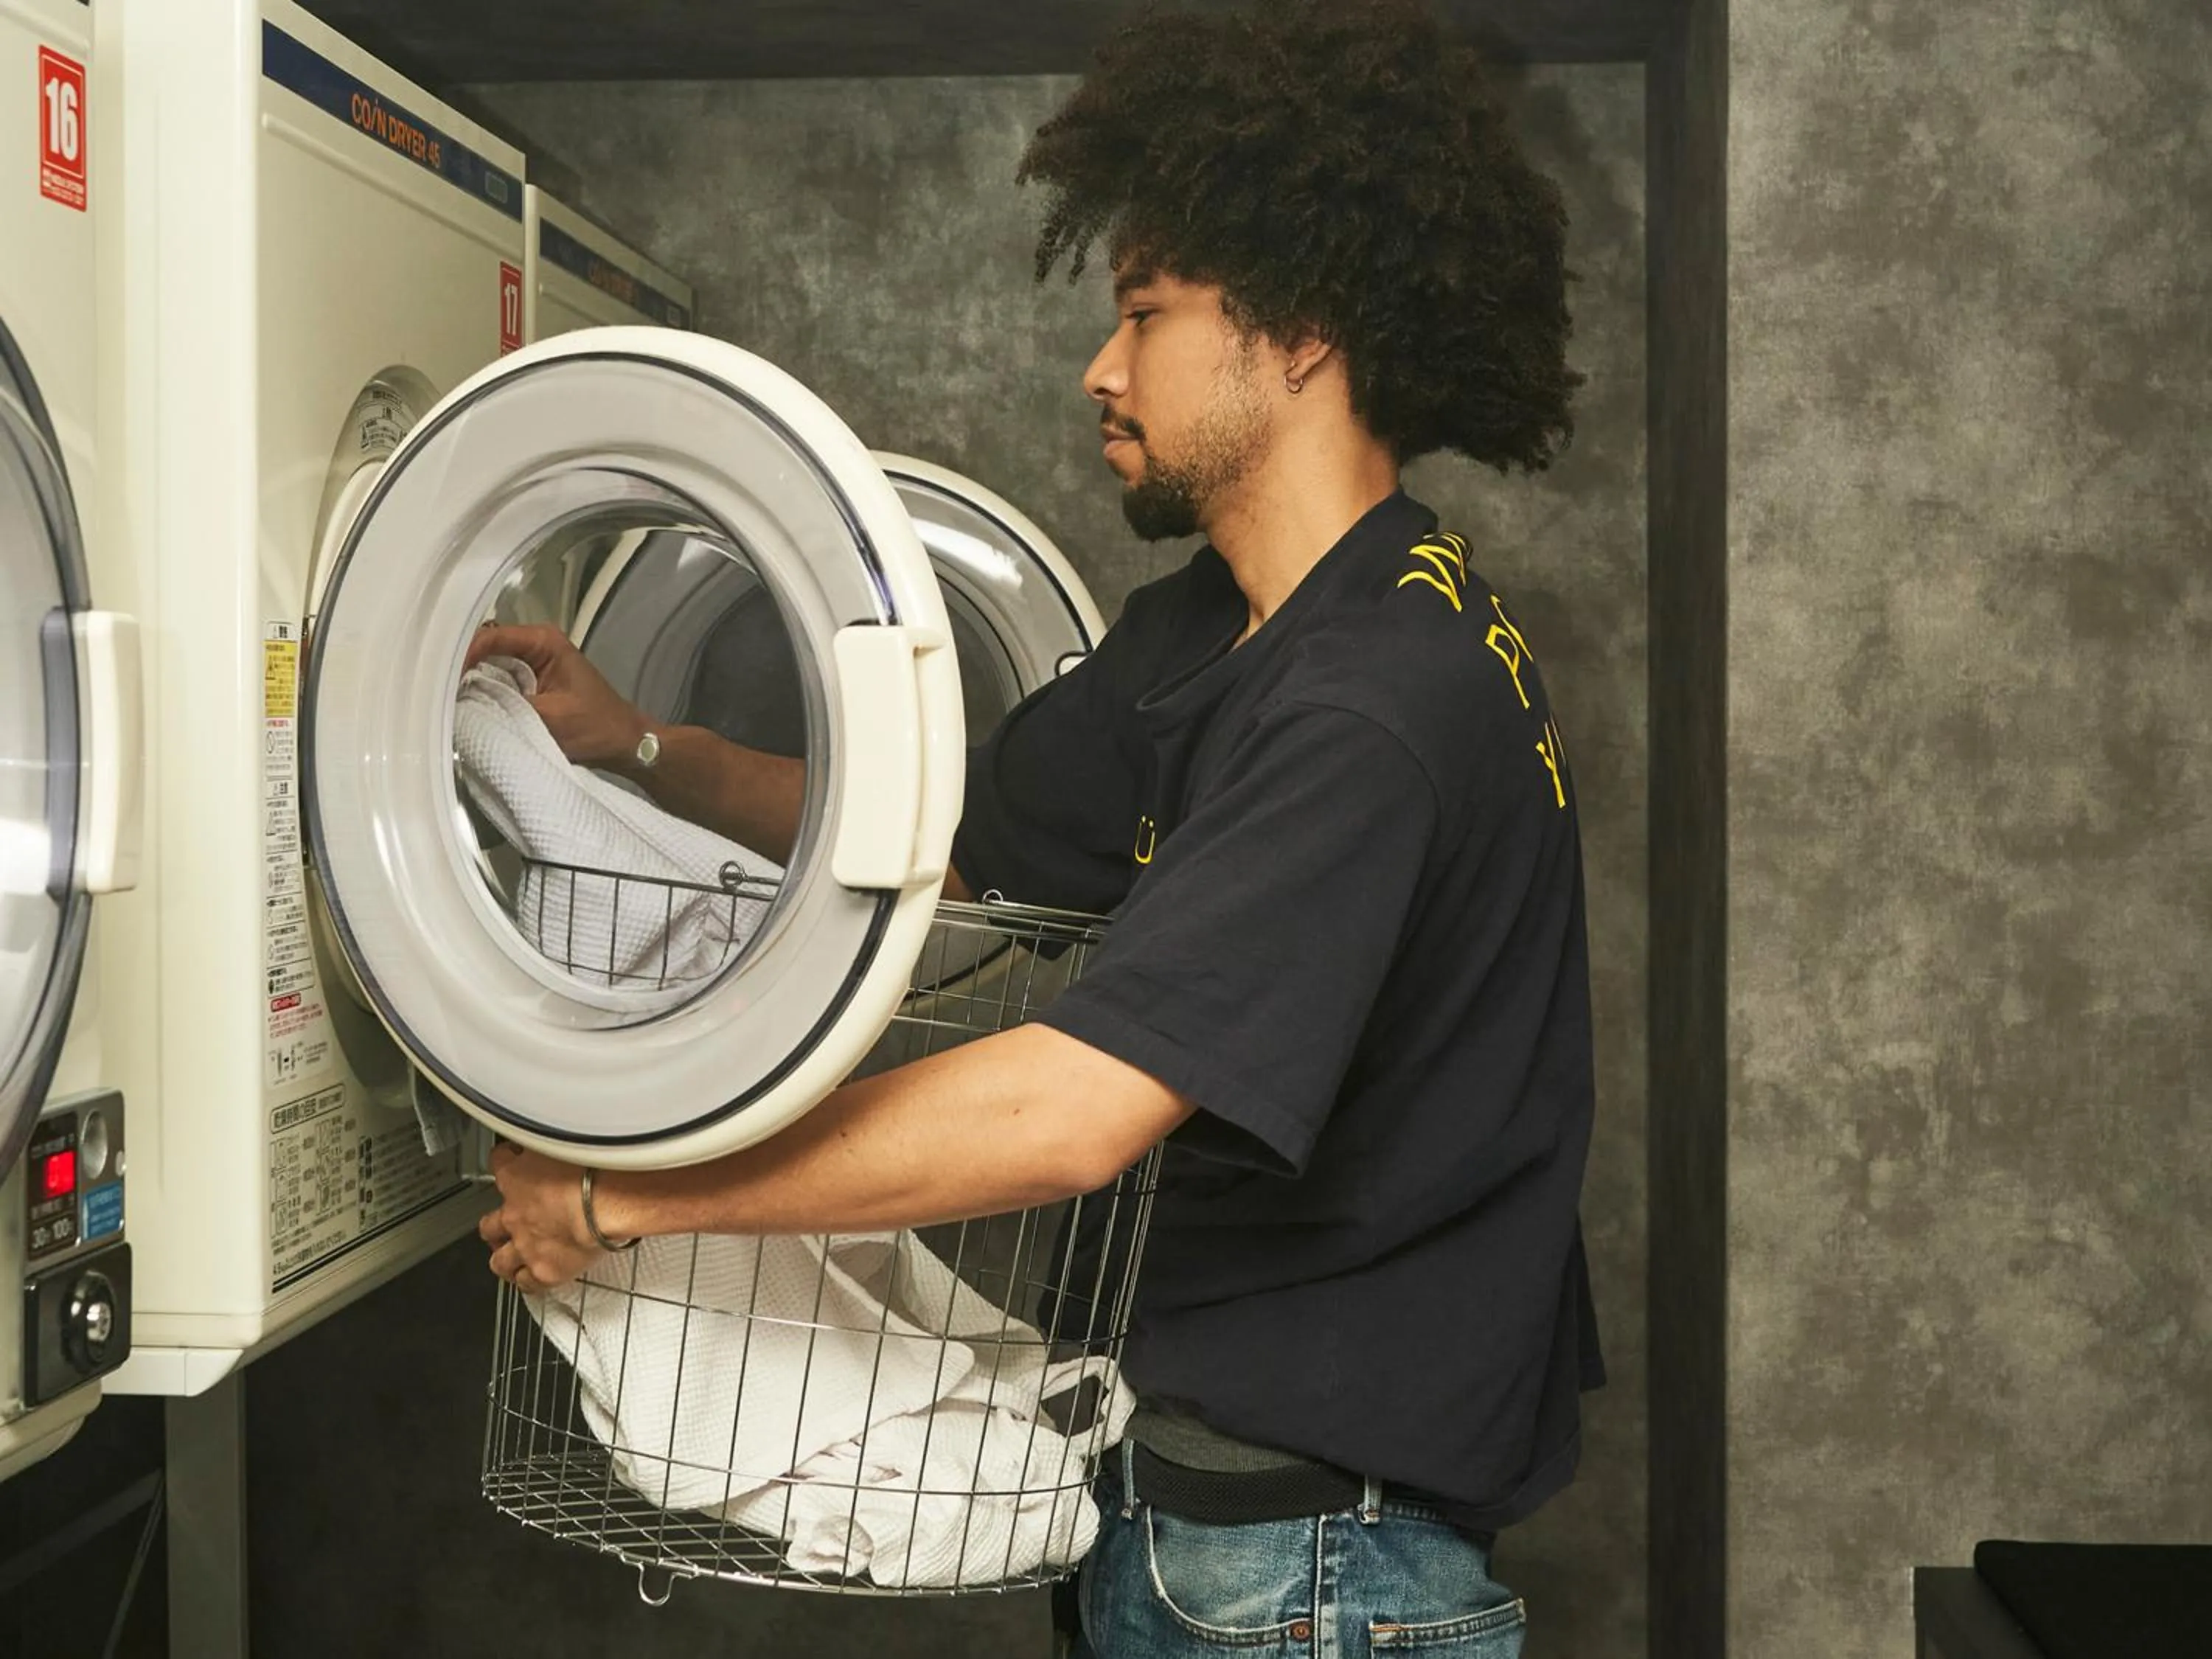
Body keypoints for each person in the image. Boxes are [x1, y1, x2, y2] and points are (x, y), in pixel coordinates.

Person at [475, 1, 1599, 1652]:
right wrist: (637, 744)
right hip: (1208, 1524)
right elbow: (935, 841)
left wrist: (636, 1196)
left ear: (1298, 331)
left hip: (1316, 1577)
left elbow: (1074, 1111)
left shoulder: (1373, 706)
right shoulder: (1216, 633)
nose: (1101, 365)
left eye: (1145, 313)